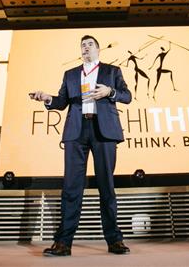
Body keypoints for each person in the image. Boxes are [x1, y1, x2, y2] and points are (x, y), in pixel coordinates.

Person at [30, 35, 132, 257]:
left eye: (90, 45)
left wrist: (110, 92)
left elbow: (127, 96)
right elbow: (61, 102)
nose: (86, 48)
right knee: (71, 188)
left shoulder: (112, 71)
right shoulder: (71, 74)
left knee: (106, 186)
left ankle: (115, 240)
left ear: (98, 49)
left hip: (104, 131)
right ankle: (63, 243)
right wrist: (47, 98)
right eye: (83, 45)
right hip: (76, 131)